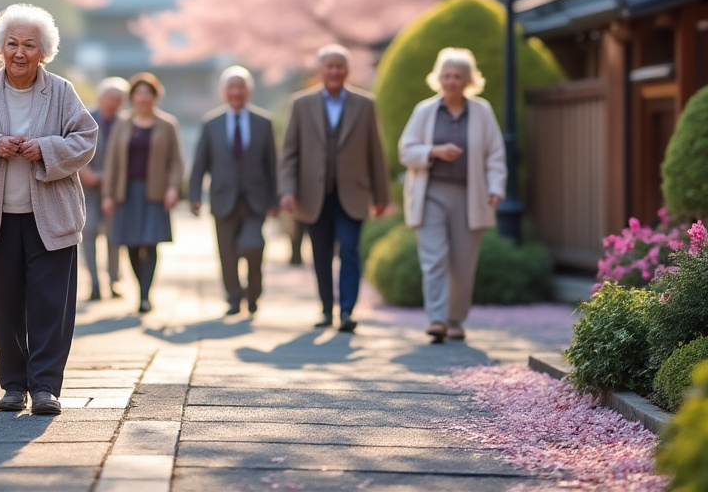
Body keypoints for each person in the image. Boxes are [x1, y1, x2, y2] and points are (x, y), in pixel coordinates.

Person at [0, 4, 98, 415]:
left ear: (43, 51)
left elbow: (86, 138)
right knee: (4, 305)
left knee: (50, 306)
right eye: (12, 43)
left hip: (52, 218)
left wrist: (45, 149)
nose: (19, 52)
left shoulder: (61, 91)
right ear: (0, 48)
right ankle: (13, 385)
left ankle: (45, 387)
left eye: (29, 45)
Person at [398, 48, 506, 343]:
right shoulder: (424, 111)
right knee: (434, 259)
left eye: (457, 76)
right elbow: (405, 151)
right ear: (438, 78)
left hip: (470, 197)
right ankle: (437, 319)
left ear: (468, 80)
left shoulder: (482, 111)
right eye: (446, 75)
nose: (451, 81)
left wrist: (496, 187)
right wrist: (434, 151)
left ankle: (455, 320)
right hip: (430, 195)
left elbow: (495, 154)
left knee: (462, 263)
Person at [280, 45, 390, 333]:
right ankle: (327, 309)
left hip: (352, 193)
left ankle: (347, 311)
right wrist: (287, 190)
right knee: (321, 254)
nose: (334, 71)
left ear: (347, 70)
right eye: (329, 66)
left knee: (350, 251)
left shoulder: (365, 104)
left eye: (339, 66)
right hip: (312, 195)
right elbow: (290, 153)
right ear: (320, 70)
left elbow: (375, 152)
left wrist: (381, 196)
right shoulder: (301, 104)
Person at [189, 66, 277, 317]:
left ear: (249, 91)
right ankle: (234, 297)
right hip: (223, 198)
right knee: (227, 252)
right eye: (232, 87)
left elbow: (272, 164)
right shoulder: (211, 124)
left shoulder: (264, 122)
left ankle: (254, 292)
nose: (236, 92)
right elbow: (200, 163)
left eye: (241, 87)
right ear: (223, 92)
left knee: (253, 246)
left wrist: (275, 199)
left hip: (255, 200)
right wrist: (195, 196)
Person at [102, 73, 183, 315]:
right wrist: (108, 194)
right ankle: (142, 288)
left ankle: (145, 296)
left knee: (150, 243)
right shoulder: (122, 123)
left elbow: (176, 162)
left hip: (154, 192)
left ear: (155, 96)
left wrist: (173, 188)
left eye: (148, 93)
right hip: (126, 193)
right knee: (130, 244)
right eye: (139, 93)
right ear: (132, 97)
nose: (143, 97)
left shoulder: (167, 124)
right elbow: (112, 161)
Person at [80, 77, 129, 301]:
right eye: (110, 97)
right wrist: (84, 172)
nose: (114, 102)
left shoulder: (126, 122)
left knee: (114, 236)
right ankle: (94, 283)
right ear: (100, 98)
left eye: (119, 99)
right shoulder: (84, 118)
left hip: (116, 190)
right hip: (88, 188)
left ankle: (114, 280)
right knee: (88, 232)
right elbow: (73, 147)